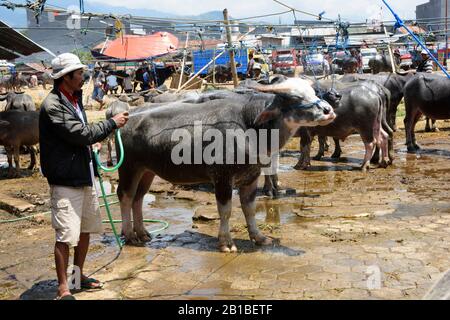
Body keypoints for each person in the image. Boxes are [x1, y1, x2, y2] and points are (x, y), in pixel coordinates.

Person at [39, 53, 129, 300]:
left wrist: (89, 147)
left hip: (84, 174)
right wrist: (111, 123)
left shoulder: (75, 100)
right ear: (65, 78)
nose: (83, 77)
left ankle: (78, 278)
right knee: (65, 236)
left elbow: (77, 139)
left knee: (85, 231)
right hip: (65, 180)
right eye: (79, 73)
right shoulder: (53, 105)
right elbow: (79, 134)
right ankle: (63, 288)